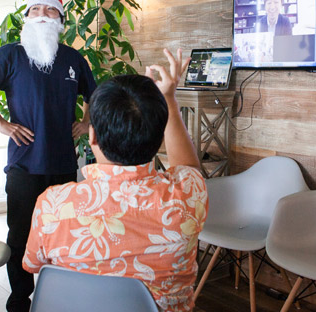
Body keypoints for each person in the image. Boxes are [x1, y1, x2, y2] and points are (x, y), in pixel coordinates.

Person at [23, 49, 208, 312]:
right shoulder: (186, 198)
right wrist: (168, 100)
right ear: (159, 142)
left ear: (93, 138)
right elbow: (188, 166)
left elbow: (32, 264)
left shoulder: (52, 204)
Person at [0, 0, 97, 312]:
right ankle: (19, 301)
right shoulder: (11, 54)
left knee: (64, 236)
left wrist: (85, 123)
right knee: (20, 238)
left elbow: (95, 96)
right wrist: (0, 123)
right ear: (26, 18)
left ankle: (58, 297)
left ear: (61, 20)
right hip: (24, 166)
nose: (42, 15)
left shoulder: (73, 59)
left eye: (50, 10)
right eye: (35, 10)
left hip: (64, 165)